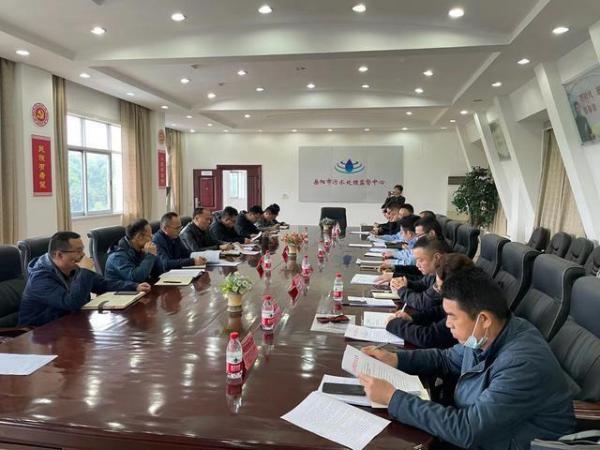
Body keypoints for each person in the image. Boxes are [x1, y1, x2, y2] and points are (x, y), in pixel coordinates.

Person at [359, 267, 576, 450]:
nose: (447, 324)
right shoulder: (486, 334)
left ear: (484, 319)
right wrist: (395, 359)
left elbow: (468, 430)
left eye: (452, 316)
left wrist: (393, 398)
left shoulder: (522, 363)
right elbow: (445, 358)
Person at [19, 231, 151, 327]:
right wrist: (85, 271)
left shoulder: (71, 266)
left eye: (82, 250)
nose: (83, 255)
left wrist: (133, 286)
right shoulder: (40, 278)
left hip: (69, 323)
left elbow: (102, 283)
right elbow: (71, 303)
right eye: (78, 251)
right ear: (59, 255)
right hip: (40, 334)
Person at [386, 253, 473, 349]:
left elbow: (429, 337)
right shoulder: (460, 296)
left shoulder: (466, 308)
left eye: (439, 288)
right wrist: (412, 318)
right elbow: (439, 311)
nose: (436, 291)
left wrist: (394, 324)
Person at [376, 237, 449, 311]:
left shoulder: (447, 276)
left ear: (437, 257)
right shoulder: (435, 272)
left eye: (420, 260)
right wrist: (405, 284)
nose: (417, 265)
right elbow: (422, 284)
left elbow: (422, 302)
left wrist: (402, 289)